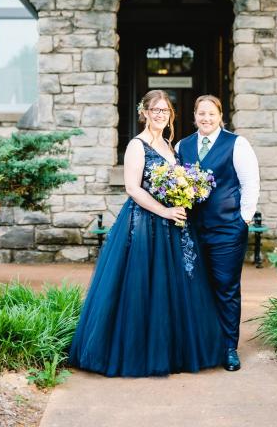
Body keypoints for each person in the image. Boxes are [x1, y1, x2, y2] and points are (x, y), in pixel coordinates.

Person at [69, 89, 225, 377]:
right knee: (142, 286)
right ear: (144, 112)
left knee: (173, 287)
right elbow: (132, 188)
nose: (160, 115)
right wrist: (164, 210)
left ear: (170, 115)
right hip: (144, 224)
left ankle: (173, 353)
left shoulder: (171, 146)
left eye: (165, 110)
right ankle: (137, 354)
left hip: (174, 226)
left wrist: (184, 197)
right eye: (155, 110)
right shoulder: (137, 146)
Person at [176, 95, 260, 372]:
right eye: (201, 113)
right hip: (192, 231)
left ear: (220, 115)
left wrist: (243, 220)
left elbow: (250, 183)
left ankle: (228, 348)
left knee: (225, 288)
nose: (206, 118)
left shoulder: (237, 144)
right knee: (195, 289)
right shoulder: (183, 145)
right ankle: (202, 346)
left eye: (211, 114)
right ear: (195, 116)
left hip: (227, 230)